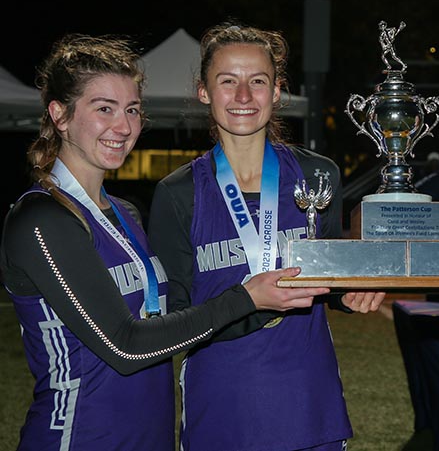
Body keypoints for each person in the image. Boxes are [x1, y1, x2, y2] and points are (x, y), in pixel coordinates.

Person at [0, 34, 329, 451]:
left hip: (151, 436)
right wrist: (245, 298)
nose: (123, 126)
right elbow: (127, 347)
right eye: (104, 109)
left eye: (132, 110)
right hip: (80, 435)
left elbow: (169, 318)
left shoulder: (126, 214)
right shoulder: (40, 220)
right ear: (60, 115)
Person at [147, 22, 385, 451]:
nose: (243, 96)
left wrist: (351, 292)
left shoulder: (318, 177)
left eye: (257, 81)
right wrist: (248, 300)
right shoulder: (177, 193)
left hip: (308, 407)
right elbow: (171, 323)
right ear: (204, 91)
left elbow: (327, 279)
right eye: (228, 81)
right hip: (223, 409)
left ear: (276, 93)